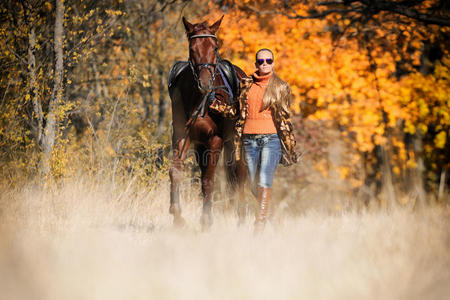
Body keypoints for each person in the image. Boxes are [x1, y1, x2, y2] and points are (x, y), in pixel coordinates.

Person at [210, 48, 298, 231]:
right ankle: (274, 218)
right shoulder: (245, 85)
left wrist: (289, 144)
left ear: (273, 62)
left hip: (271, 140)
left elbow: (285, 118)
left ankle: (259, 224)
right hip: (249, 140)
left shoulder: (281, 86)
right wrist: (216, 106)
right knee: (252, 183)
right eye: (261, 61)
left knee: (264, 180)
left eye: (268, 60)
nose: (264, 64)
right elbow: (236, 110)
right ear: (255, 64)